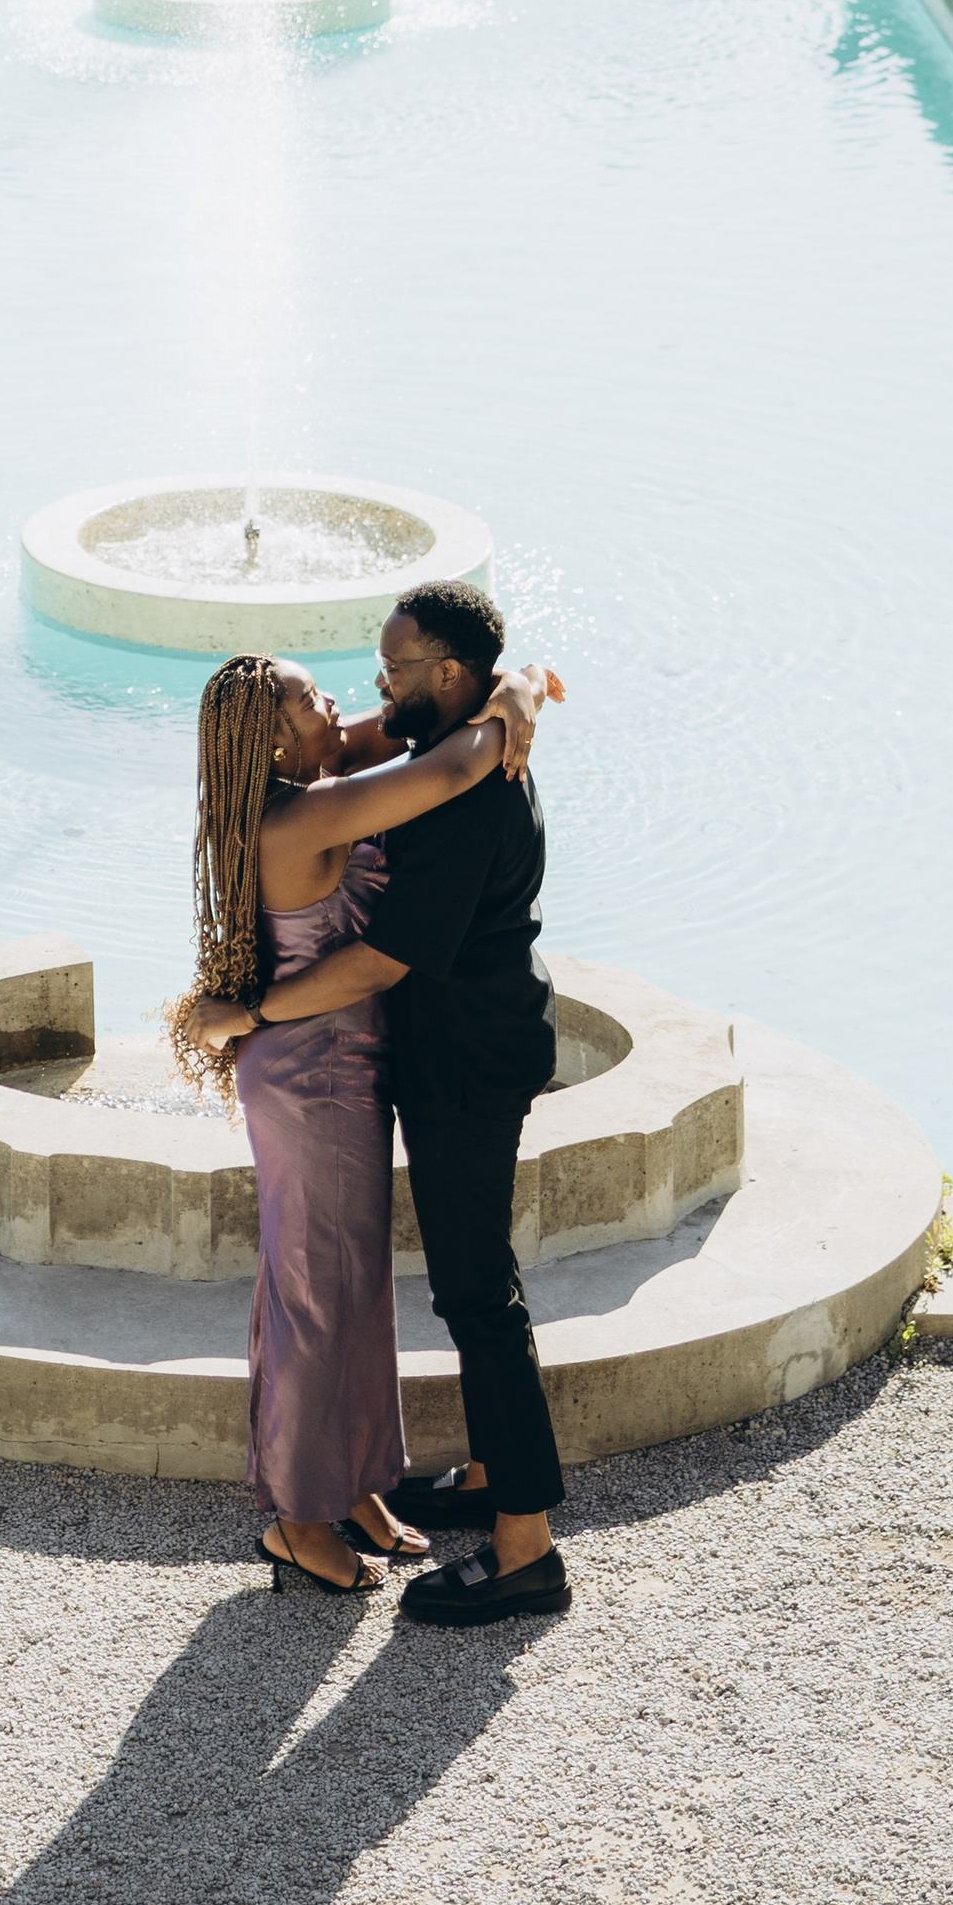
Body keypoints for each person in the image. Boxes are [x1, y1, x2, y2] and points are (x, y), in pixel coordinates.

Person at [203, 581, 570, 1629]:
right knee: (340, 1289)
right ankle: (327, 1507)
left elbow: (382, 957)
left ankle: (505, 1538)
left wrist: (513, 690)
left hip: (440, 1066)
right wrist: (511, 692)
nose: (361, 695)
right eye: (325, 693)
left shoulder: (451, 778)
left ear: (444, 677)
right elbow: (424, 747)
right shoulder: (380, 779)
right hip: (335, 1075)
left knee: (437, 1297)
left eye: (389, 670)